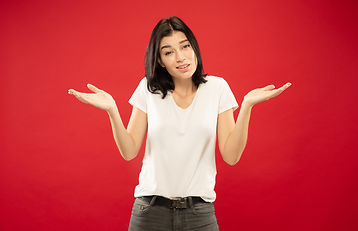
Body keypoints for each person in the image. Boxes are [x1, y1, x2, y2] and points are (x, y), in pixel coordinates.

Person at [68, 16, 291, 231]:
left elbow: (231, 156)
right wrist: (112, 110)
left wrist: (247, 105)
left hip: (200, 214)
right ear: (160, 60)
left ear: (194, 47)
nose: (181, 57)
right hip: (150, 212)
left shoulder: (217, 88)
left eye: (185, 47)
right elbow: (129, 151)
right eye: (169, 52)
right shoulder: (149, 89)